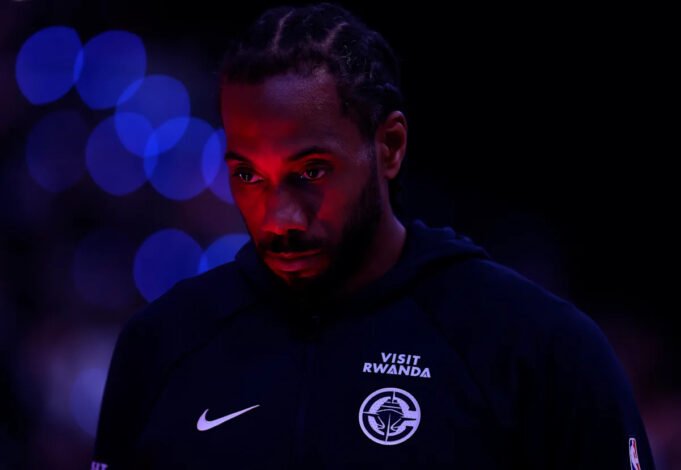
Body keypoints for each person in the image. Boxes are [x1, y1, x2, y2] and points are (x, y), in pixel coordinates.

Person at [92, 3, 656, 468]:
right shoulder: (162, 344)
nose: (281, 217)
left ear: (389, 147)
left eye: (312, 171)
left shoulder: (537, 351)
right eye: (249, 176)